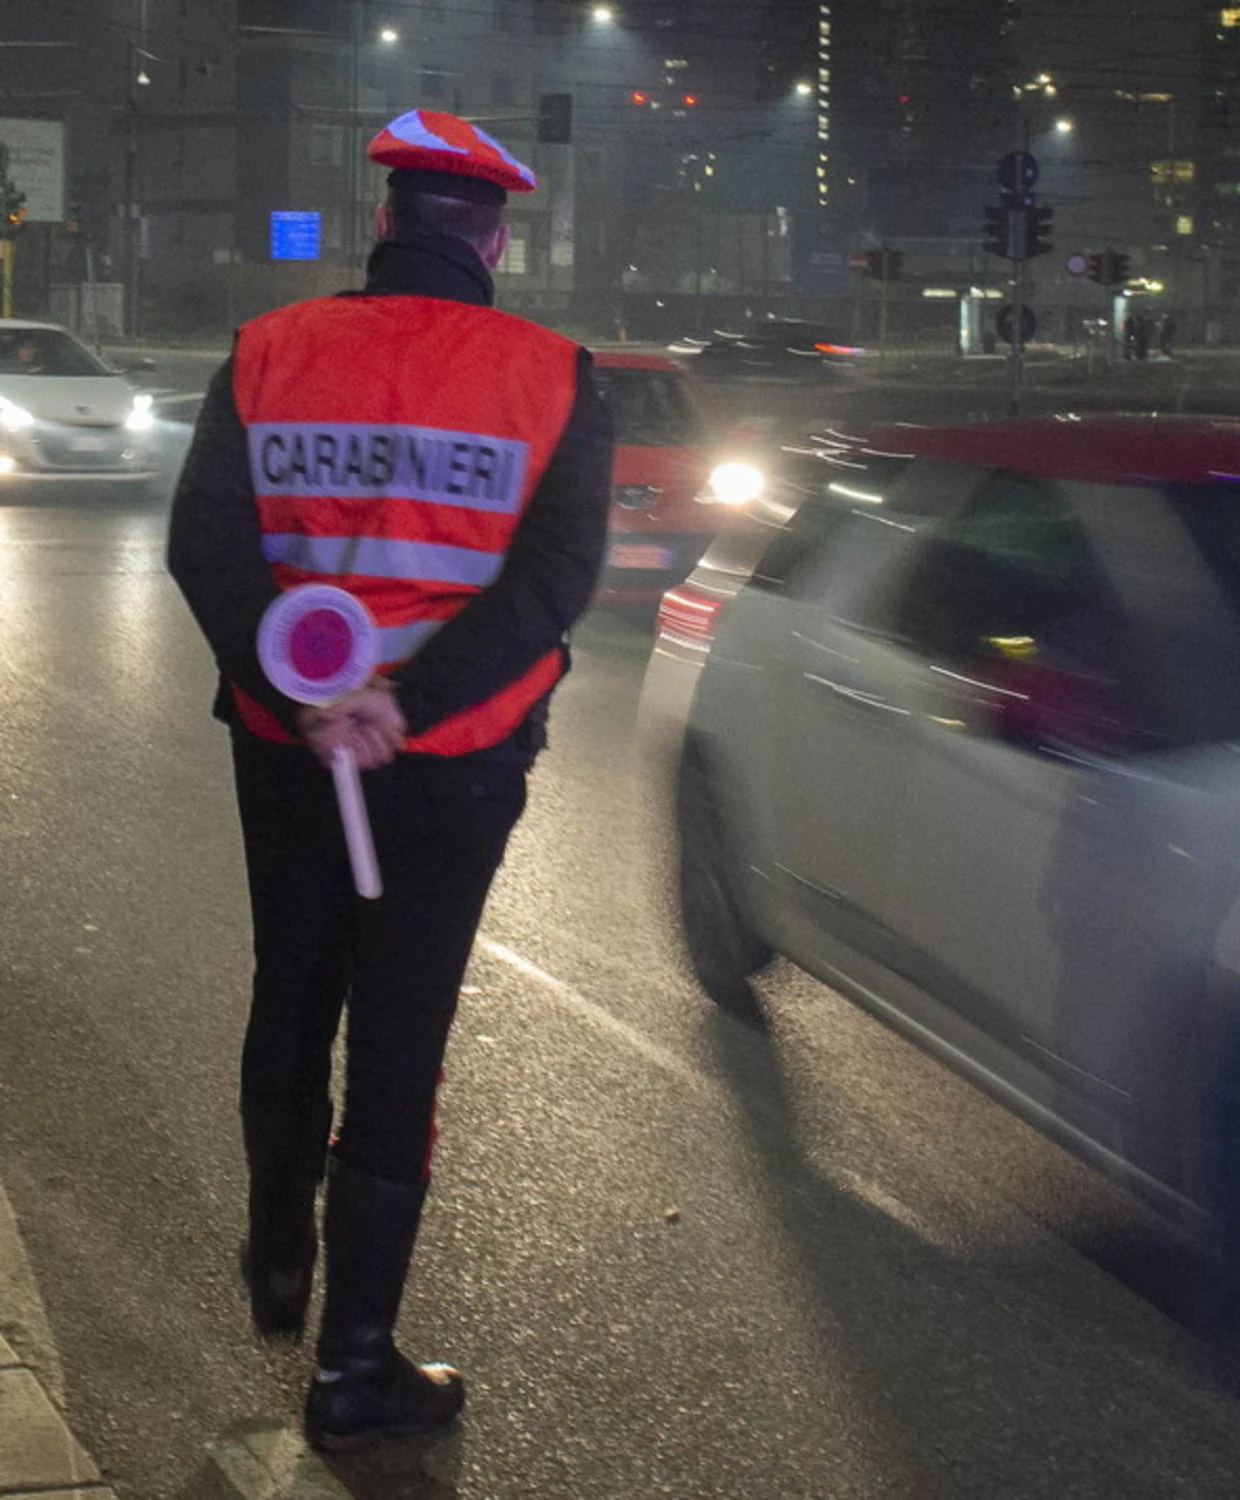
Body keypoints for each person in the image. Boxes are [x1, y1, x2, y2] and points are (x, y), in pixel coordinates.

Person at [167, 109, 612, 1453]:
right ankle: (354, 1367)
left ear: (384, 223)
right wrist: (399, 705)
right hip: (450, 765)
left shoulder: (267, 352)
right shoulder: (553, 374)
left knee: (291, 981)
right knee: (400, 1031)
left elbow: (206, 546)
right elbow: (549, 587)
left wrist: (307, 692)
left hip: (284, 744)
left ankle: (274, 1244)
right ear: (492, 237)